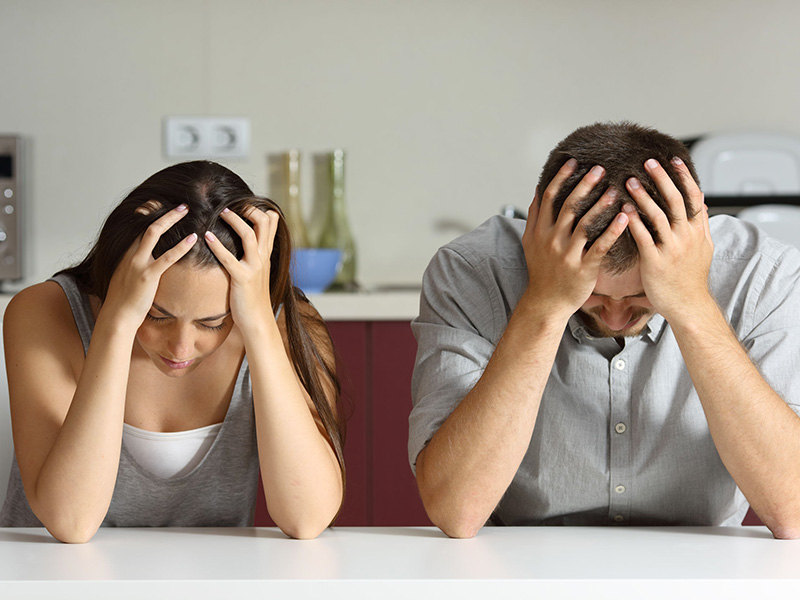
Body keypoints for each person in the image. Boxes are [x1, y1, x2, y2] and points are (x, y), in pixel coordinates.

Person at [409, 122, 800, 539]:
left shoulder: (765, 274)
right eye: (592, 296)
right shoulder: (471, 272)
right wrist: (546, 301)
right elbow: (456, 510)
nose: (615, 320)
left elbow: (792, 508)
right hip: (520, 570)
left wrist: (691, 303)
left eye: (640, 297)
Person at [0, 161, 345, 542]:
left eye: (213, 323)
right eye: (157, 315)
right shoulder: (43, 312)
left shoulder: (280, 327)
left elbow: (307, 518)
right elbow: (72, 522)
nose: (181, 348)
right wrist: (117, 322)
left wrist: (260, 325)